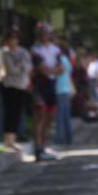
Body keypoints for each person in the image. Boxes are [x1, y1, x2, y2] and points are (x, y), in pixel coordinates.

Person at [31, 22, 62, 161]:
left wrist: (52, 71)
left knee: (49, 117)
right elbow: (41, 68)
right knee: (39, 117)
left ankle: (43, 146)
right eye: (41, 33)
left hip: (51, 85)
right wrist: (52, 70)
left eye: (47, 33)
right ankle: (37, 149)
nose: (44, 36)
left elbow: (61, 68)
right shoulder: (35, 50)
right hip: (39, 86)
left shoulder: (56, 50)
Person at [0, 30, 32, 151]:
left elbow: (28, 66)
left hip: (21, 85)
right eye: (10, 39)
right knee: (9, 113)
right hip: (9, 86)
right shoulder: (5, 53)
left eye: (15, 38)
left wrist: (20, 67)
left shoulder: (24, 52)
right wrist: (21, 66)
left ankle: (13, 139)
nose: (13, 41)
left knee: (17, 113)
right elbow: (11, 70)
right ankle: (8, 140)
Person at [54, 37, 74, 146]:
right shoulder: (66, 59)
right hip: (66, 89)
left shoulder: (59, 59)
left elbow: (57, 72)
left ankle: (59, 139)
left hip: (59, 89)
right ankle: (68, 138)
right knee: (66, 116)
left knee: (60, 116)